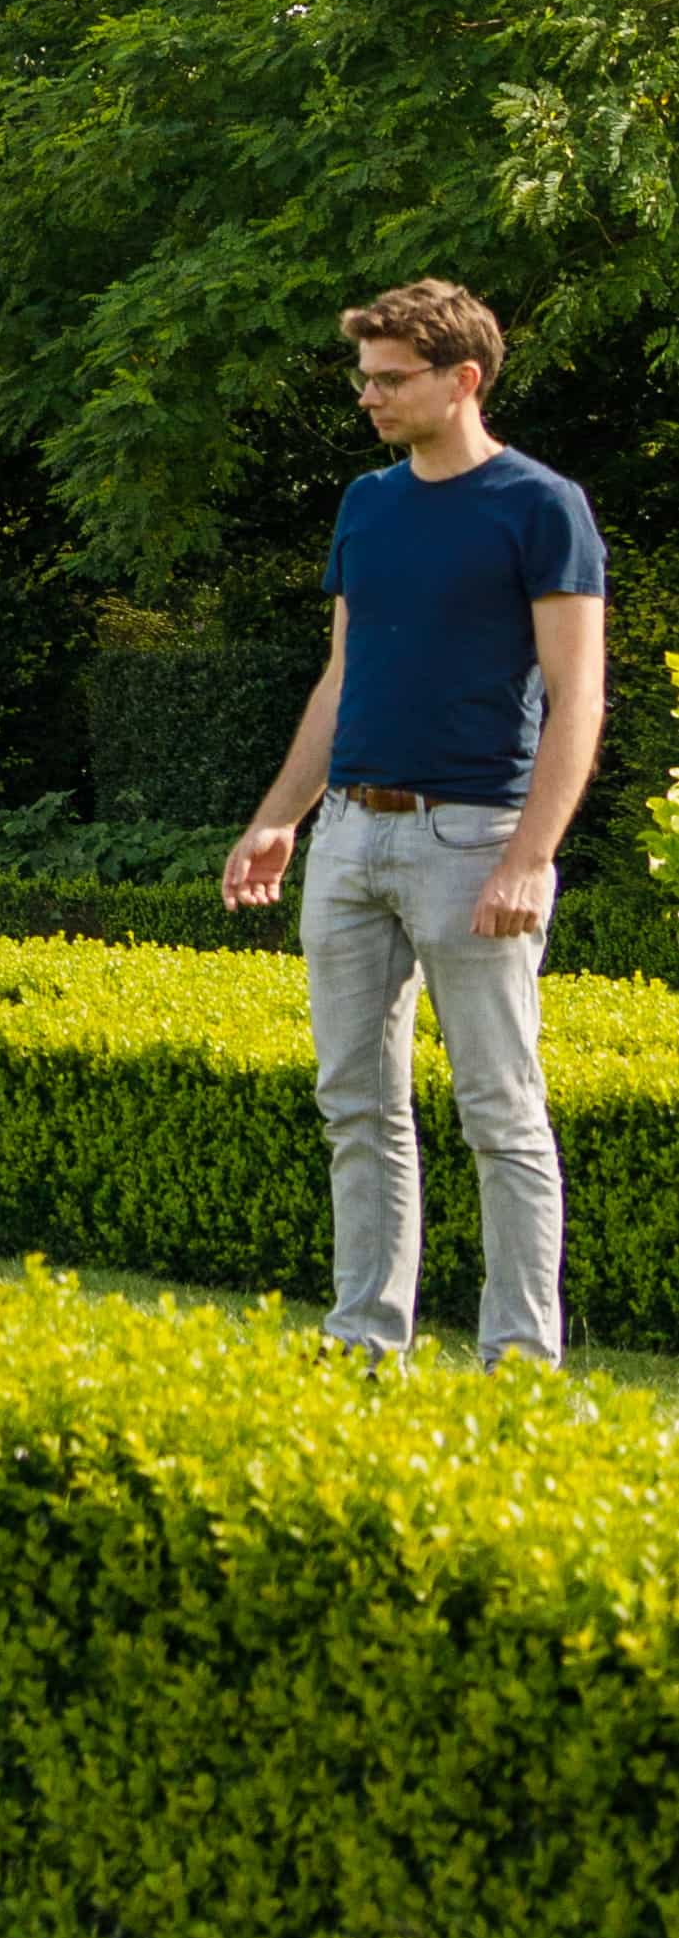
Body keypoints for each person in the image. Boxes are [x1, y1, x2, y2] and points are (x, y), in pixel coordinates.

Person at [222, 279, 605, 1365]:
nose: (370, 398)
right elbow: (343, 676)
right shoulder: (366, 504)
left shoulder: (539, 506)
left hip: (474, 839)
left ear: (462, 380)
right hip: (348, 836)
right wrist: (281, 818)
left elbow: (580, 695)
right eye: (365, 379)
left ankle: (519, 1365)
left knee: (501, 1113)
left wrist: (531, 856)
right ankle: (363, 1343)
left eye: (391, 380)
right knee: (356, 1107)